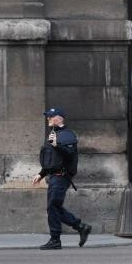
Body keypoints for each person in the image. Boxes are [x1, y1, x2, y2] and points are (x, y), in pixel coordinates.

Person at [33, 107, 92, 250]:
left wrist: (56, 145)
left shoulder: (66, 135)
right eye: (48, 116)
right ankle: (80, 226)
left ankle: (56, 239)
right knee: (54, 207)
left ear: (59, 119)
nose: (48, 119)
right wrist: (41, 174)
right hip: (54, 176)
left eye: (50, 116)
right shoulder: (53, 134)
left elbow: (70, 153)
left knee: (52, 206)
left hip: (61, 176)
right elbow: (52, 159)